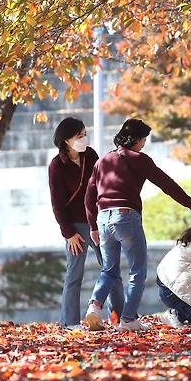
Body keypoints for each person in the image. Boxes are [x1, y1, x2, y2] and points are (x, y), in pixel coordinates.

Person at [84, 118, 191, 332]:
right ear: (136, 140)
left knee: (109, 270)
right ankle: (128, 319)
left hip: (103, 218)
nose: (144, 144)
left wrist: (93, 225)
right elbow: (166, 183)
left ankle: (95, 305)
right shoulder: (139, 159)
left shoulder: (102, 161)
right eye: (143, 139)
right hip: (126, 217)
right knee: (137, 271)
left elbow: (88, 197)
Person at [48, 117, 123, 329]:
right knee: (74, 274)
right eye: (79, 135)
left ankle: (119, 318)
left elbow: (103, 186)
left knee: (111, 269)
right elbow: (57, 204)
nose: (84, 139)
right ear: (66, 140)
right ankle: (69, 322)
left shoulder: (90, 155)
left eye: (84, 134)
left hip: (98, 222)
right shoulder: (56, 166)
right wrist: (69, 233)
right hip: (75, 228)